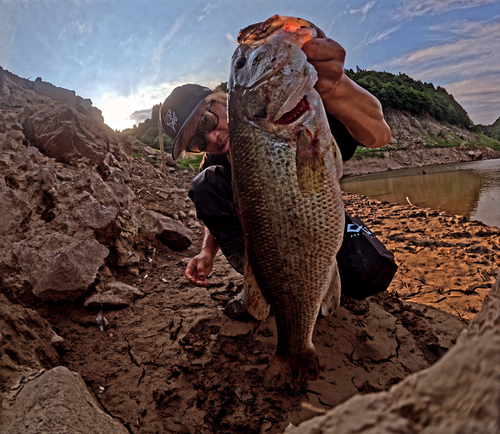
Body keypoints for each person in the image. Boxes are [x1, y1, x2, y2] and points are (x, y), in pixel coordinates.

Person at [160, 33, 392, 289]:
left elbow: (379, 136)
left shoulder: (294, 115)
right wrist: (207, 252)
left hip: (316, 219)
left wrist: (335, 87)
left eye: (206, 121)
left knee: (370, 268)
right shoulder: (214, 161)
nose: (212, 137)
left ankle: (317, 284)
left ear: (219, 99)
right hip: (270, 239)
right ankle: (267, 284)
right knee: (203, 185)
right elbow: (218, 213)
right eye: (197, 142)